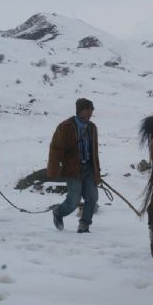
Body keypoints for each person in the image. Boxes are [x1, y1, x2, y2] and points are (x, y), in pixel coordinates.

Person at [47, 98, 101, 233]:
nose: (90, 113)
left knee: (92, 197)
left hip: (89, 168)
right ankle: (58, 212)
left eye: (91, 110)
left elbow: (94, 152)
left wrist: (97, 171)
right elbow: (56, 149)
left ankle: (84, 224)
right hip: (73, 170)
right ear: (80, 111)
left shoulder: (92, 128)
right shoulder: (65, 127)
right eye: (87, 110)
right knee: (74, 201)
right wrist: (54, 169)